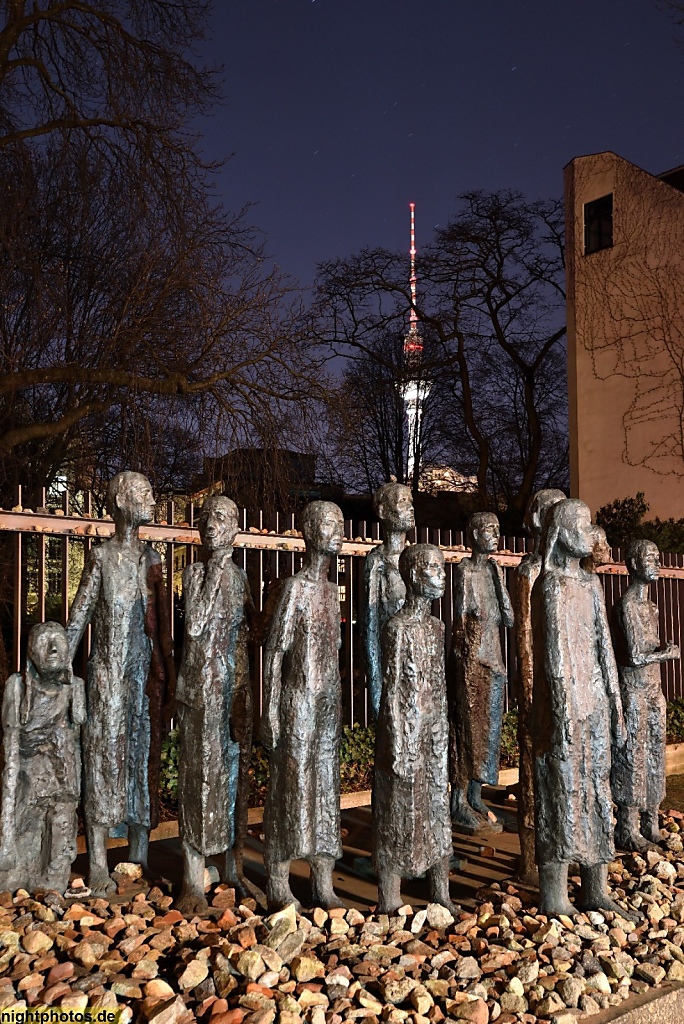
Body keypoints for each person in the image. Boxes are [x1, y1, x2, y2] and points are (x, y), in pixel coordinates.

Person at [67, 471, 175, 896]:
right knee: (103, 762)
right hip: (108, 676)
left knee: (140, 762)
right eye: (144, 494)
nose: (152, 500)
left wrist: (170, 674)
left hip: (142, 680)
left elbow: (164, 628)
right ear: (121, 501)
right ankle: (96, 862)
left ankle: (139, 858)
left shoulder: (152, 559)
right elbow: (80, 615)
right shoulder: (101, 557)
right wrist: (55, 667)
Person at [532, 498, 631, 917]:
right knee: (559, 794)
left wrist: (615, 705)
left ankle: (596, 887)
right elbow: (553, 658)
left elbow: (605, 648)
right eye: (581, 526)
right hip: (564, 711)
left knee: (596, 793)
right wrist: (561, 711)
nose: (589, 535)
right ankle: (554, 895)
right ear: (559, 533)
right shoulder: (549, 585)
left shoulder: (591, 585)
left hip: (593, 705)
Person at [261, 500, 345, 910]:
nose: (337, 531)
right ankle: (278, 877)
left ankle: (323, 879)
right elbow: (275, 651)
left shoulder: (332, 591)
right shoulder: (295, 588)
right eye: (329, 524)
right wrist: (272, 708)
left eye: (339, 524)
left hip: (328, 703)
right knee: (291, 788)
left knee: (325, 788)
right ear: (310, 532)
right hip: (297, 700)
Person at [175, 496, 254, 913]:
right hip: (200, 692)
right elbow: (198, 623)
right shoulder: (195, 573)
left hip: (229, 691)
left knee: (230, 782)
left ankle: (230, 868)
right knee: (199, 781)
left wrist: (243, 692)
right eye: (207, 518)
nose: (212, 525)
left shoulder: (239, 577)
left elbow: (242, 638)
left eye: (222, 518)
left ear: (236, 528)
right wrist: (217, 568)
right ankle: (192, 878)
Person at [373, 544, 457, 915]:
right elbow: (392, 690)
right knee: (399, 809)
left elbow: (439, 683)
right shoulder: (398, 628)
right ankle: (390, 896)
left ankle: (441, 891)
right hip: (405, 732)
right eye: (432, 569)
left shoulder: (436, 627)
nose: (440, 576)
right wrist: (399, 744)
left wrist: (442, 731)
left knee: (437, 807)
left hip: (434, 730)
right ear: (413, 576)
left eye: (441, 568)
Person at [0, 622, 85, 893]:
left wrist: (70, 796)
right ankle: (18, 874)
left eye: (59, 642)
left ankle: (51, 881)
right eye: (44, 641)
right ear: (30, 651)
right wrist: (5, 840)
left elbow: (73, 751)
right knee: (24, 816)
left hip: (57, 772)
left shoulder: (74, 688)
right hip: (25, 771)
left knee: (61, 817)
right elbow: (11, 757)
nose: (52, 649)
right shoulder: (17, 687)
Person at [612, 539, 680, 850]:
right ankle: (628, 828)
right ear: (635, 564)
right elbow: (635, 656)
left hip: (654, 690)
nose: (656, 563)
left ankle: (650, 823)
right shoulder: (626, 604)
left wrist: (660, 655)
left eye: (657, 556)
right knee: (633, 757)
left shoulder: (651, 607)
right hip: (634, 689)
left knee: (655, 754)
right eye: (650, 558)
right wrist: (665, 654)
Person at [448, 511, 514, 829]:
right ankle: (458, 799)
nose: (494, 534)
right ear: (473, 534)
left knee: (489, 735)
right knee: (467, 734)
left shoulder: (492, 570)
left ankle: (476, 794)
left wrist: (499, 579)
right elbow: (462, 618)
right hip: (472, 661)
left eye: (497, 529)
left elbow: (509, 618)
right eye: (488, 529)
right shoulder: (465, 569)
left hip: (494, 661)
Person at [513, 489, 565, 884]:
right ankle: (532, 860)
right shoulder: (530, 571)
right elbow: (526, 636)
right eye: (548, 511)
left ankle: (561, 854)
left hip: (561, 691)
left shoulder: (565, 576)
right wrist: (531, 693)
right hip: (539, 691)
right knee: (534, 778)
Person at [363, 482, 415, 720]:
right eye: (403, 501)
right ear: (383, 510)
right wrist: (375, 684)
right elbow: (370, 625)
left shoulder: (418, 559)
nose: (410, 507)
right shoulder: (377, 562)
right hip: (389, 663)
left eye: (410, 501)